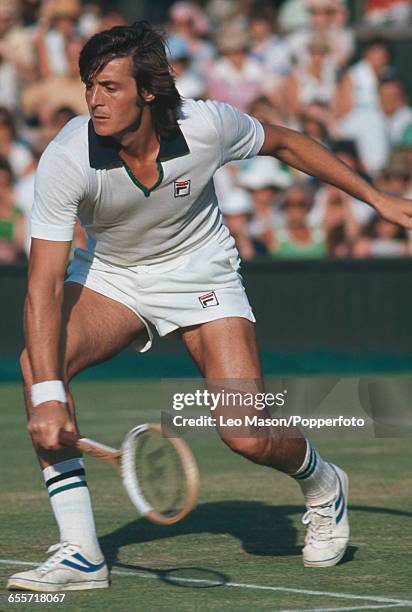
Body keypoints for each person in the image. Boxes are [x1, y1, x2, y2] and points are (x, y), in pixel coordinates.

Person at [8, 21, 412, 592]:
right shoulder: (67, 156)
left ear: (148, 90)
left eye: (111, 87)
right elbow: (43, 286)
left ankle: (323, 481)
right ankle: (81, 553)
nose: (95, 101)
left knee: (245, 433)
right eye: (89, 86)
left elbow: (289, 143)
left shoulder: (207, 124)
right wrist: (49, 397)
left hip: (202, 272)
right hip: (113, 278)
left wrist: (377, 198)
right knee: (38, 366)